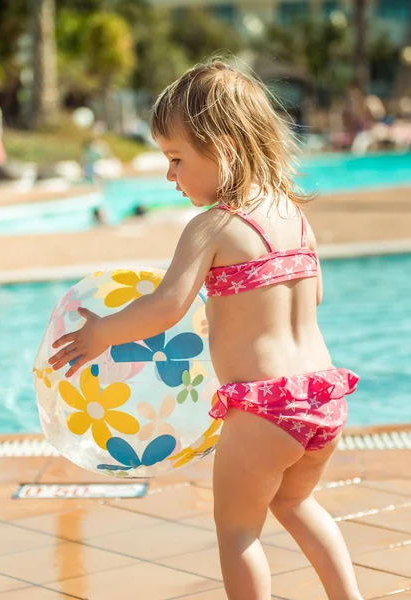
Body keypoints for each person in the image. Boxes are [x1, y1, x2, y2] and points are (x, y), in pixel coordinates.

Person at [48, 60, 362, 600]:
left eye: (176, 159)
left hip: (264, 410)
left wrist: (104, 334)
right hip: (324, 398)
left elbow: (166, 306)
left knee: (238, 530)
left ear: (225, 149)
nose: (170, 176)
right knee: (294, 502)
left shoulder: (212, 225)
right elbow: (314, 296)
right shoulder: (293, 215)